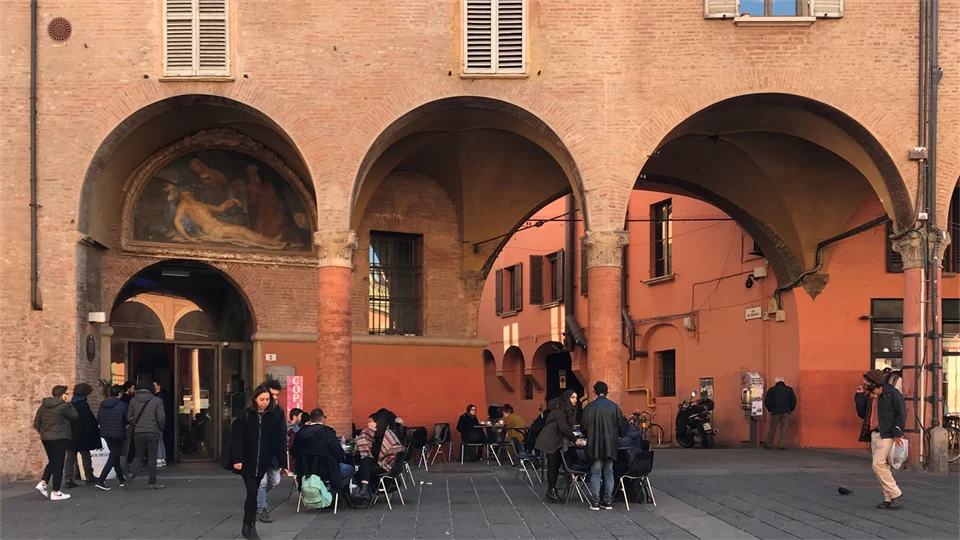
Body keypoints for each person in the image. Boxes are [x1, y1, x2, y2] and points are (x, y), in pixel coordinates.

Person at [230, 385, 288, 540]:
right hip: (248, 460)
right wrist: (238, 459)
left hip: (264, 459)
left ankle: (247, 525)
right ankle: (250, 526)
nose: (265, 402)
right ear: (255, 399)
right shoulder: (246, 414)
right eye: (262, 399)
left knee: (256, 490)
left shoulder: (276, 414)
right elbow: (237, 437)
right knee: (253, 491)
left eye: (267, 399)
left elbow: (281, 438)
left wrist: (283, 463)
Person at [856, 369, 906, 509]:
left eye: (867, 381)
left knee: (877, 464)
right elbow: (861, 413)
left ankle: (896, 493)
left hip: (887, 434)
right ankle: (888, 498)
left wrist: (897, 431)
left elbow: (902, 412)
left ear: (874, 382)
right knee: (884, 466)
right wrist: (859, 396)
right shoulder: (870, 396)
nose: (864, 383)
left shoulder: (892, 393)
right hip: (874, 433)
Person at [535, 390, 585, 503]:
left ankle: (552, 490)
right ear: (567, 398)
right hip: (550, 440)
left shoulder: (567, 410)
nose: (575, 400)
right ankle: (552, 491)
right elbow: (563, 428)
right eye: (572, 397)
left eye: (576, 398)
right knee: (553, 465)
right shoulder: (560, 411)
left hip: (556, 441)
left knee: (556, 465)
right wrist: (575, 440)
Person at [581, 381, 625, 510]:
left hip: (594, 445)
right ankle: (608, 501)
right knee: (609, 473)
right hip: (610, 445)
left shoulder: (588, 408)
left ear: (594, 392)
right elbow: (621, 427)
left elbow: (583, 427)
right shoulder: (615, 407)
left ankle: (595, 502)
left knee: (595, 473)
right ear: (607, 392)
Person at [290, 409, 355, 488]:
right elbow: (339, 454)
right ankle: (333, 494)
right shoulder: (328, 432)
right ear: (323, 419)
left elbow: (294, 452)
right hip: (326, 471)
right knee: (350, 469)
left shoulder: (301, 432)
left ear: (311, 420)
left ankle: (321, 493)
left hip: (304, 471)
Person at [34, 385, 78, 500]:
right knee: (58, 464)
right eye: (66, 394)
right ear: (62, 394)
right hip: (59, 438)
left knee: (53, 461)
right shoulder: (63, 406)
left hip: (46, 438)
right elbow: (74, 416)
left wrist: (43, 432)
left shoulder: (43, 406)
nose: (68, 396)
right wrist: (69, 403)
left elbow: (36, 423)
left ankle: (43, 483)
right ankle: (55, 491)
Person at [354, 410, 403, 502]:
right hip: (377, 461)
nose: (368, 424)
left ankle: (365, 492)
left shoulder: (388, 435)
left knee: (361, 470)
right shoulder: (373, 435)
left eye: (371, 422)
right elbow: (365, 449)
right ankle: (365, 491)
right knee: (365, 460)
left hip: (387, 465)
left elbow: (395, 450)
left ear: (378, 423)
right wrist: (364, 436)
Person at [126, 379, 166, 490]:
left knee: (138, 455)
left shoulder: (133, 401)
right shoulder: (157, 400)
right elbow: (161, 417)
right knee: (152, 457)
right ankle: (152, 482)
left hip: (138, 432)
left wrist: (137, 424)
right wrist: (160, 427)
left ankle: (132, 474)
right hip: (153, 431)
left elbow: (129, 417)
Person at [256, 379, 286, 524]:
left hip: (272, 454)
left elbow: (281, 435)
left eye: (276, 395)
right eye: (271, 395)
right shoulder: (254, 411)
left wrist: (283, 462)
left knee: (275, 481)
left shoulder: (278, 411)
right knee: (262, 483)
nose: (274, 398)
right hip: (257, 454)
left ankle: (255, 497)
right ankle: (262, 509)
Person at [64, 382, 102, 487]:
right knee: (85, 456)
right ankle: (89, 476)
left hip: (71, 434)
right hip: (82, 435)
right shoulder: (83, 404)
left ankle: (68, 479)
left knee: (70, 458)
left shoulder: (70, 404)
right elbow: (87, 421)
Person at [95, 384, 128, 490]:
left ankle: (121, 479)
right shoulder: (122, 405)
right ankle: (101, 480)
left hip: (105, 433)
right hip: (118, 432)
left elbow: (99, 418)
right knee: (114, 455)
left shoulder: (102, 404)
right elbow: (127, 418)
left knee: (115, 454)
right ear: (119, 394)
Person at [763, 377, 797, 450]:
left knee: (772, 428)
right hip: (786, 411)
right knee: (783, 429)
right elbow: (793, 401)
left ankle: (768, 444)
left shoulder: (772, 390)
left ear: (776, 382)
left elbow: (767, 401)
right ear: (783, 381)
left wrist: (770, 409)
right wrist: (790, 409)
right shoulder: (789, 390)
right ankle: (781, 445)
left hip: (775, 412)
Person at [153, 381, 175, 466]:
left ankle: (159, 458)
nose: (152, 387)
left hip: (158, 422)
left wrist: (161, 423)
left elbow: (161, 412)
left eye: (154, 385)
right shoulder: (160, 397)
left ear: (159, 386)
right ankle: (162, 458)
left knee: (158, 440)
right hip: (160, 422)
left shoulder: (159, 398)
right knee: (160, 440)